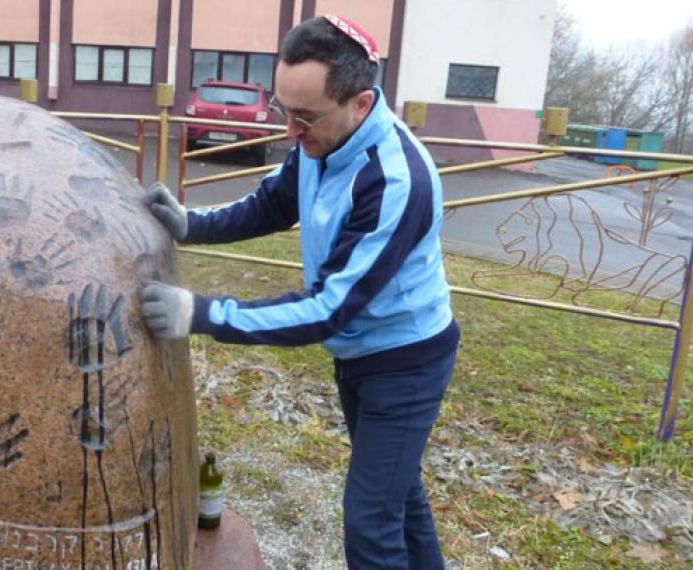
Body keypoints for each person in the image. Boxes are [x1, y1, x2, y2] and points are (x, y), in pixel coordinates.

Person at [140, 15, 459, 569]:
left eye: (305, 117)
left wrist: (202, 313)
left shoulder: (395, 179)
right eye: (284, 111)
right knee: (398, 498)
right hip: (362, 355)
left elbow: (330, 309)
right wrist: (192, 224)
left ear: (361, 104)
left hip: (404, 362)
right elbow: (271, 202)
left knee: (371, 521)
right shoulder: (320, 141)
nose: (290, 130)